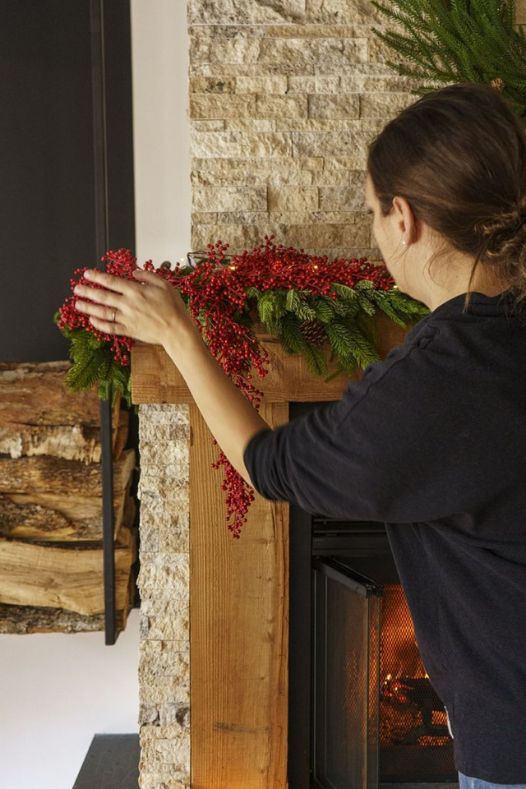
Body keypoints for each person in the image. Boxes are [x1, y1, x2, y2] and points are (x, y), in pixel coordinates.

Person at [73, 81, 526, 788]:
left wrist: (179, 335)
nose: (374, 232)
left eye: (372, 212)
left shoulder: (437, 380)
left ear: (404, 218)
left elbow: (269, 465)